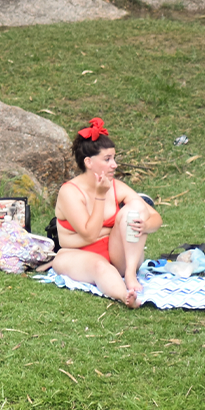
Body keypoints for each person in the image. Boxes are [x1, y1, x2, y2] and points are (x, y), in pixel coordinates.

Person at [48, 118, 161, 308]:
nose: (114, 165)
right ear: (89, 162)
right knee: (100, 266)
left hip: (118, 257)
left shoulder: (116, 186)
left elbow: (156, 217)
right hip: (77, 255)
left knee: (135, 208)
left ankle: (131, 275)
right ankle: (125, 296)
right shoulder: (70, 192)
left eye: (114, 158)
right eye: (107, 159)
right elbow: (90, 234)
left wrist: (145, 226)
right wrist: (101, 197)